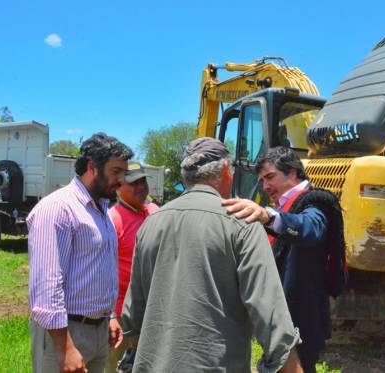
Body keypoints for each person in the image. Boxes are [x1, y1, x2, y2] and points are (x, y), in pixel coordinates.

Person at [122, 137, 303, 373]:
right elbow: (270, 315)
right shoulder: (243, 223)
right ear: (226, 170)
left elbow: (134, 312)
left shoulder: (151, 224)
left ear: (186, 176)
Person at [223, 146, 346, 373]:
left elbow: (309, 229)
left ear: (292, 172)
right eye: (261, 180)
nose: (265, 186)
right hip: (282, 317)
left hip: (301, 318)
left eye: (270, 177)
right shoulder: (282, 208)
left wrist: (266, 216)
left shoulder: (315, 202)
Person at [28, 133, 134, 373]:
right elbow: (46, 286)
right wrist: (65, 348)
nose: (121, 180)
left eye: (123, 172)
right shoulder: (58, 209)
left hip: (98, 332)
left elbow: (99, 270)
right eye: (116, 171)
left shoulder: (101, 210)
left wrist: (109, 316)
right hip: (66, 333)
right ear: (91, 167)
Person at [105, 162, 159, 373]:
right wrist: (110, 316)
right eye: (134, 183)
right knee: (110, 366)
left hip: (151, 310)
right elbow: (105, 269)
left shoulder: (155, 211)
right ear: (118, 188)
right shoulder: (113, 219)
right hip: (120, 314)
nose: (141, 187)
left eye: (143, 181)